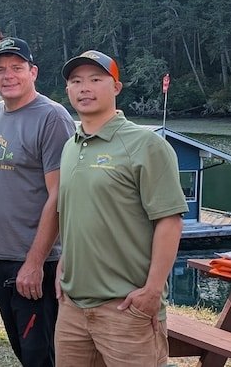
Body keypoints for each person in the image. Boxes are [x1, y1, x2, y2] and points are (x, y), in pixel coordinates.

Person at [55, 50, 188, 366]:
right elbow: (74, 211)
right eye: (76, 81)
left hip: (125, 309)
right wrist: (64, 262)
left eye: (96, 79)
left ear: (116, 87)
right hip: (72, 308)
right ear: (68, 91)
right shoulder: (70, 145)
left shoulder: (146, 144)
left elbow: (169, 220)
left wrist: (152, 291)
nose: (85, 88)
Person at [0, 37, 75, 367]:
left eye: (17, 68)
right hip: (2, 260)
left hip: (38, 264)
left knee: (41, 356)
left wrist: (34, 263)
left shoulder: (52, 117)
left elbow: (59, 195)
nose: (8, 75)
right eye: (0, 69)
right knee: (23, 352)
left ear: (33, 72)